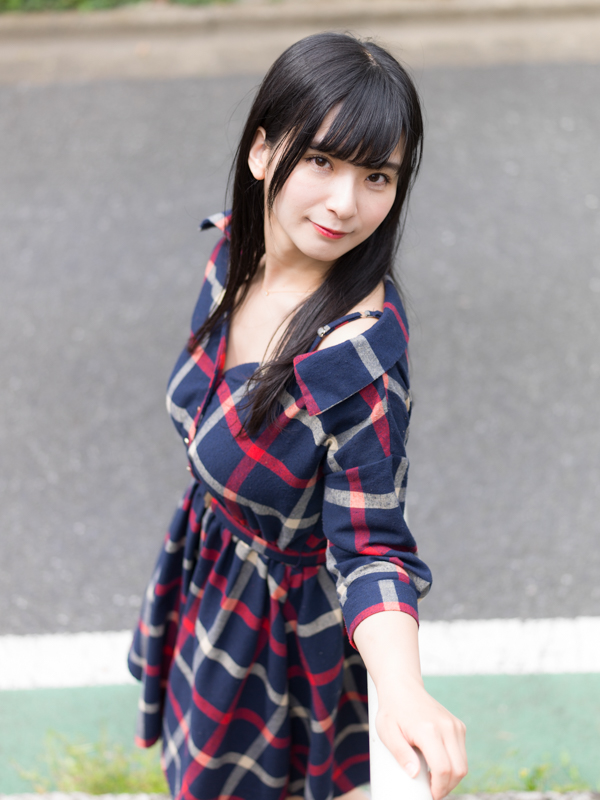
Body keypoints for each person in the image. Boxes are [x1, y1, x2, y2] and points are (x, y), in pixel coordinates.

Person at [128, 31, 467, 800]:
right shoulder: (234, 251)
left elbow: (373, 546)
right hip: (210, 567)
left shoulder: (352, 367)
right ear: (261, 152)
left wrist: (403, 688)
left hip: (280, 639)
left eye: (377, 176)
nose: (346, 203)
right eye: (321, 160)